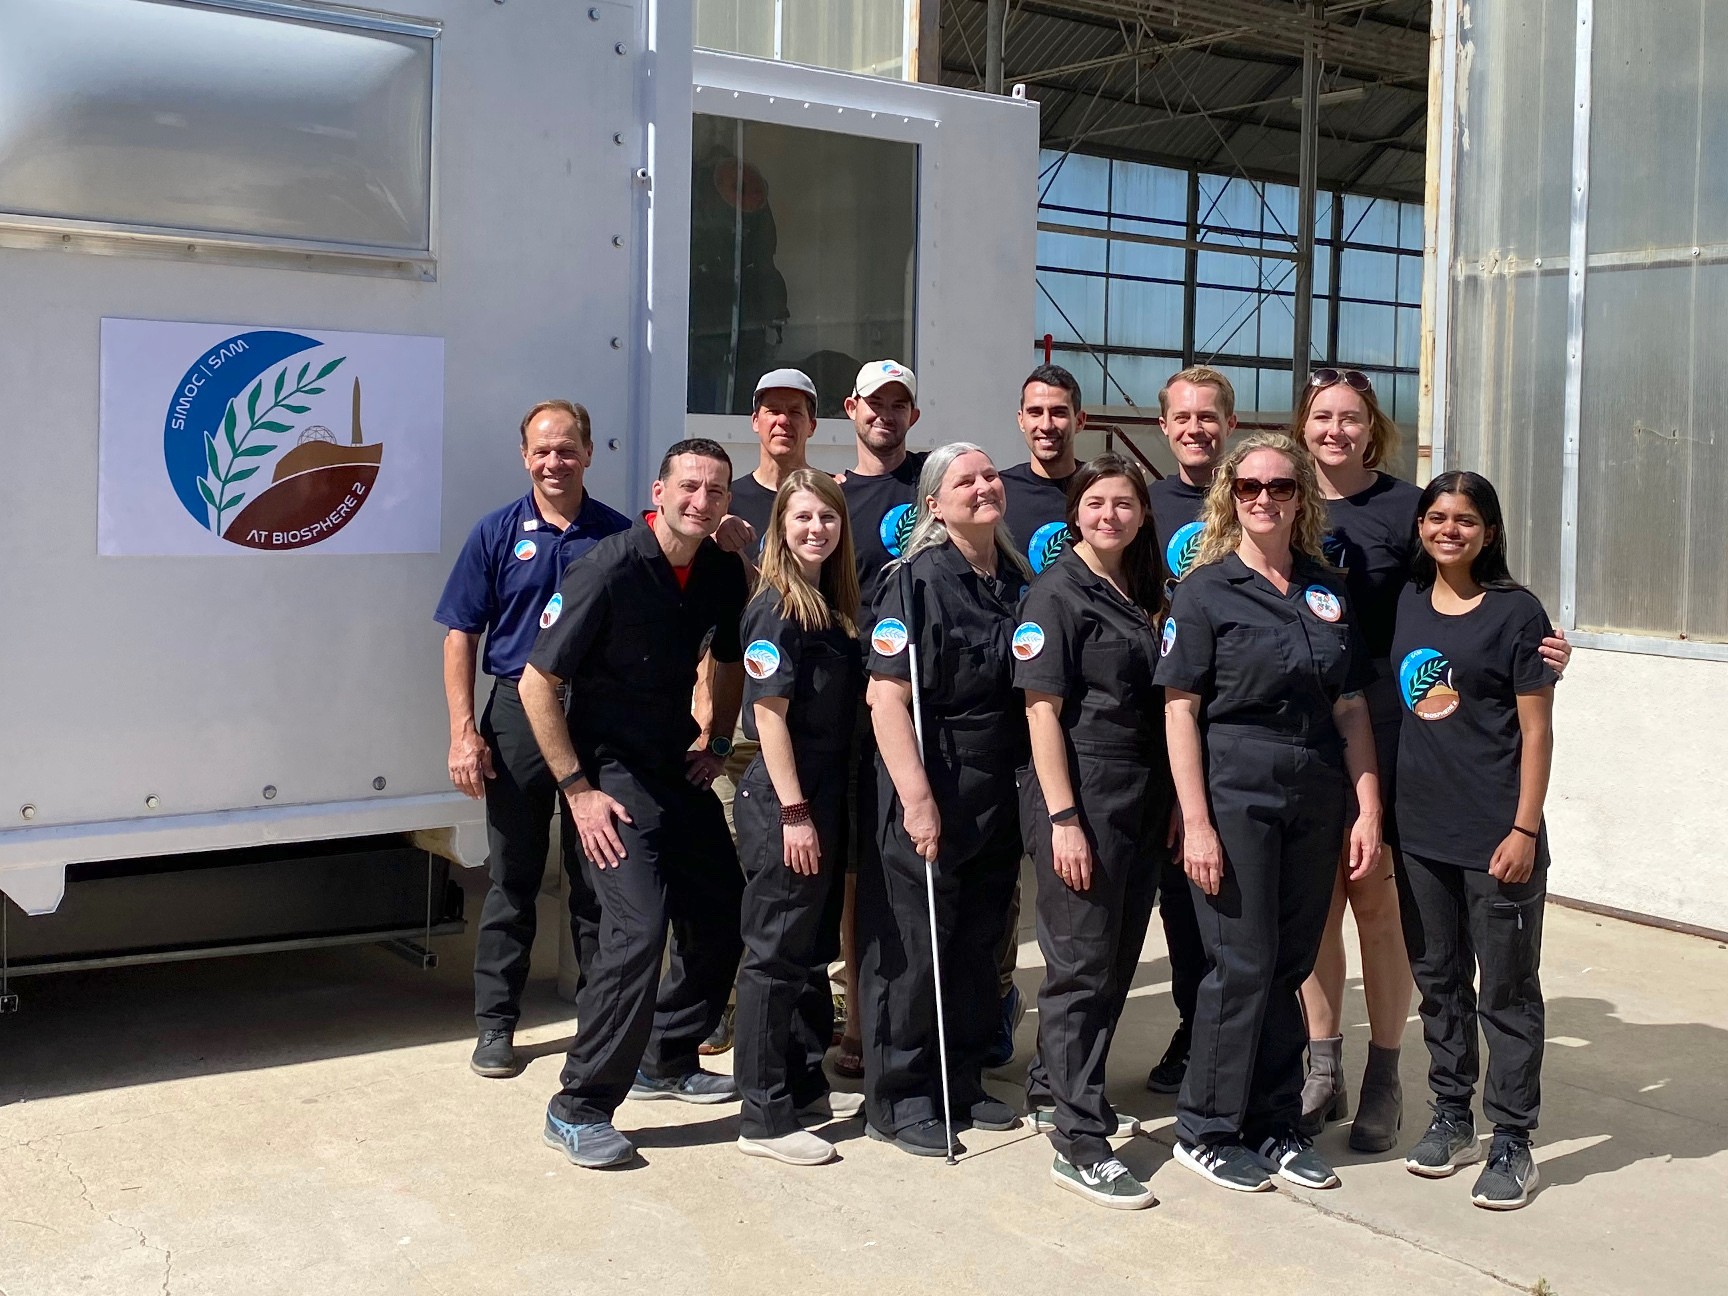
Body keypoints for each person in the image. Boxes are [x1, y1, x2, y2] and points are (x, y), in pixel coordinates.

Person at [1293, 369, 1570, 1152]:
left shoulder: (1495, 595)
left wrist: (1544, 657)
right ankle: (1407, 1094)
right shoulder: (1287, 506)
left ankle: (1482, 1122)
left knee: (1487, 976)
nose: (1449, 529)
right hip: (1370, 784)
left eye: (1351, 417)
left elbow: (1527, 706)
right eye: (1322, 416)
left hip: (1450, 792)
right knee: (1413, 960)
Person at [1154, 432, 1381, 1194]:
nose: (1264, 498)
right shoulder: (1204, 591)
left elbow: (1350, 706)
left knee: (1287, 964)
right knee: (1240, 964)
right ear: (1229, 495)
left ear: (1299, 498)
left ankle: (1276, 1124)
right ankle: (1208, 1128)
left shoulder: (1326, 587)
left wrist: (1367, 803)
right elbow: (1180, 710)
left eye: (1279, 487)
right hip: (1235, 791)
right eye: (1249, 486)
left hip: (1315, 792)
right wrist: (1196, 821)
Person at [520, 439, 750, 1169]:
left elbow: (730, 656)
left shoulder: (716, 570)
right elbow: (535, 684)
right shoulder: (608, 567)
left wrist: (715, 737)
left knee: (725, 910)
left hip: (674, 767)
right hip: (610, 776)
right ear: (660, 489)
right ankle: (579, 1103)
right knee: (639, 930)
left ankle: (667, 1056)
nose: (701, 502)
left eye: (715, 492)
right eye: (689, 487)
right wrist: (578, 792)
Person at [434, 399, 630, 1079]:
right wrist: (465, 733)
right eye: (543, 450)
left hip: (592, 715)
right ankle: (496, 1025)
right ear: (525, 456)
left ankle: (599, 1025)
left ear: (588, 453)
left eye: (567, 448)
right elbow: (461, 633)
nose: (555, 461)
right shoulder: (494, 533)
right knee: (512, 879)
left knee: (596, 876)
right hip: (516, 713)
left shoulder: (617, 536)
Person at [860, 442, 1031, 1157]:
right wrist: (919, 799)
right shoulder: (914, 582)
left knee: (975, 943)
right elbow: (885, 698)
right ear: (933, 503)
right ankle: (899, 1100)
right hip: (932, 779)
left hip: (996, 784)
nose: (983, 486)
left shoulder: (1017, 578)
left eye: (990, 475)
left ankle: (959, 1081)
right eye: (965, 480)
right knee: (918, 945)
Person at [1391, 471, 1555, 1211]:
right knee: (1439, 983)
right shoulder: (1406, 603)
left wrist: (1524, 827)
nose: (1448, 529)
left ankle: (1513, 1139)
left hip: (1496, 837)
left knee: (1509, 993)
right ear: (1420, 525)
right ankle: (1451, 1116)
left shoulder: (1518, 614)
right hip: (1420, 833)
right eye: (1436, 516)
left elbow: (1536, 729)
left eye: (1464, 519)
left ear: (1488, 531)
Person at [1016, 454, 1171, 1210]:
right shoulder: (1056, 593)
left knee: (1111, 961)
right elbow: (1041, 712)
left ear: (1142, 515)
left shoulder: (1140, 591)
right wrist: (1064, 818)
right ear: (1075, 512)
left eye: (1125, 503)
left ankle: (1055, 1090)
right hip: (1084, 796)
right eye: (1097, 502)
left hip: (1139, 800)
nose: (1111, 514)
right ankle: (1079, 1142)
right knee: (1079, 965)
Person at [733, 470, 867, 1166]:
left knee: (809, 957)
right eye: (803, 517)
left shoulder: (833, 606)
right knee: (775, 960)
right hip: (787, 805)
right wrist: (794, 813)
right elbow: (767, 716)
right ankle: (762, 1115)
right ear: (780, 527)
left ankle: (800, 1084)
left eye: (828, 518)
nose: (817, 528)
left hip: (823, 801)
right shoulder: (778, 609)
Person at [698, 367, 821, 1058]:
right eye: (771, 410)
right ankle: (723, 1002)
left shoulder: (818, 499)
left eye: (795, 411)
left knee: (795, 883)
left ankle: (791, 1014)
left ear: (812, 422)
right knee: (734, 874)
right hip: (733, 722)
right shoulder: (726, 502)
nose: (782, 422)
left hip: (804, 727)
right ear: (755, 422)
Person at [987, 361, 1090, 1073]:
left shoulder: (1104, 492)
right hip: (1004, 706)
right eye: (1036, 411)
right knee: (998, 878)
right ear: (1020, 420)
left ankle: (1069, 1034)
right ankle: (996, 999)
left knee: (1068, 879)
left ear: (1079, 419)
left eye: (1060, 411)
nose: (1048, 423)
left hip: (1083, 712)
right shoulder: (997, 492)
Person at [1140, 365, 1238, 1096]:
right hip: (1164, 717)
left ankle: (1240, 1034)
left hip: (1236, 723)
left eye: (1209, 416)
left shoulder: (1256, 495)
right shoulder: (1145, 506)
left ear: (1228, 425)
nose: (1196, 428)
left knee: (1233, 895)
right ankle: (1191, 1022)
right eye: (1184, 417)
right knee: (1178, 892)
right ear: (1164, 425)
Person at [831, 359, 924, 1081]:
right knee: (860, 867)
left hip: (937, 707)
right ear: (851, 410)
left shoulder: (935, 484)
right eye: (874, 404)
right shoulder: (834, 499)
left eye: (899, 405)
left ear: (913, 416)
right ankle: (858, 1021)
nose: (885, 417)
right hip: (859, 708)